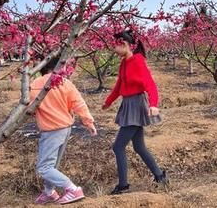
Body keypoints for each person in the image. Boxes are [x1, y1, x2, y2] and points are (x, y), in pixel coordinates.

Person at [102, 30, 168, 195]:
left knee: (118, 147)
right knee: (139, 147)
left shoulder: (138, 61)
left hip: (136, 104)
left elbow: (150, 84)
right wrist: (108, 102)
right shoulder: (124, 62)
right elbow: (119, 86)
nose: (114, 49)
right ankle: (160, 177)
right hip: (128, 104)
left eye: (116, 45)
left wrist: (154, 104)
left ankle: (123, 185)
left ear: (124, 44)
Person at [29, 57, 97, 205]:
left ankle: (72, 189)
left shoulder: (35, 84)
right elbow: (79, 103)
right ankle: (49, 192)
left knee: (44, 167)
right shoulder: (65, 83)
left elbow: (29, 107)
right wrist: (88, 122)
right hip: (65, 128)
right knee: (52, 165)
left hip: (51, 130)